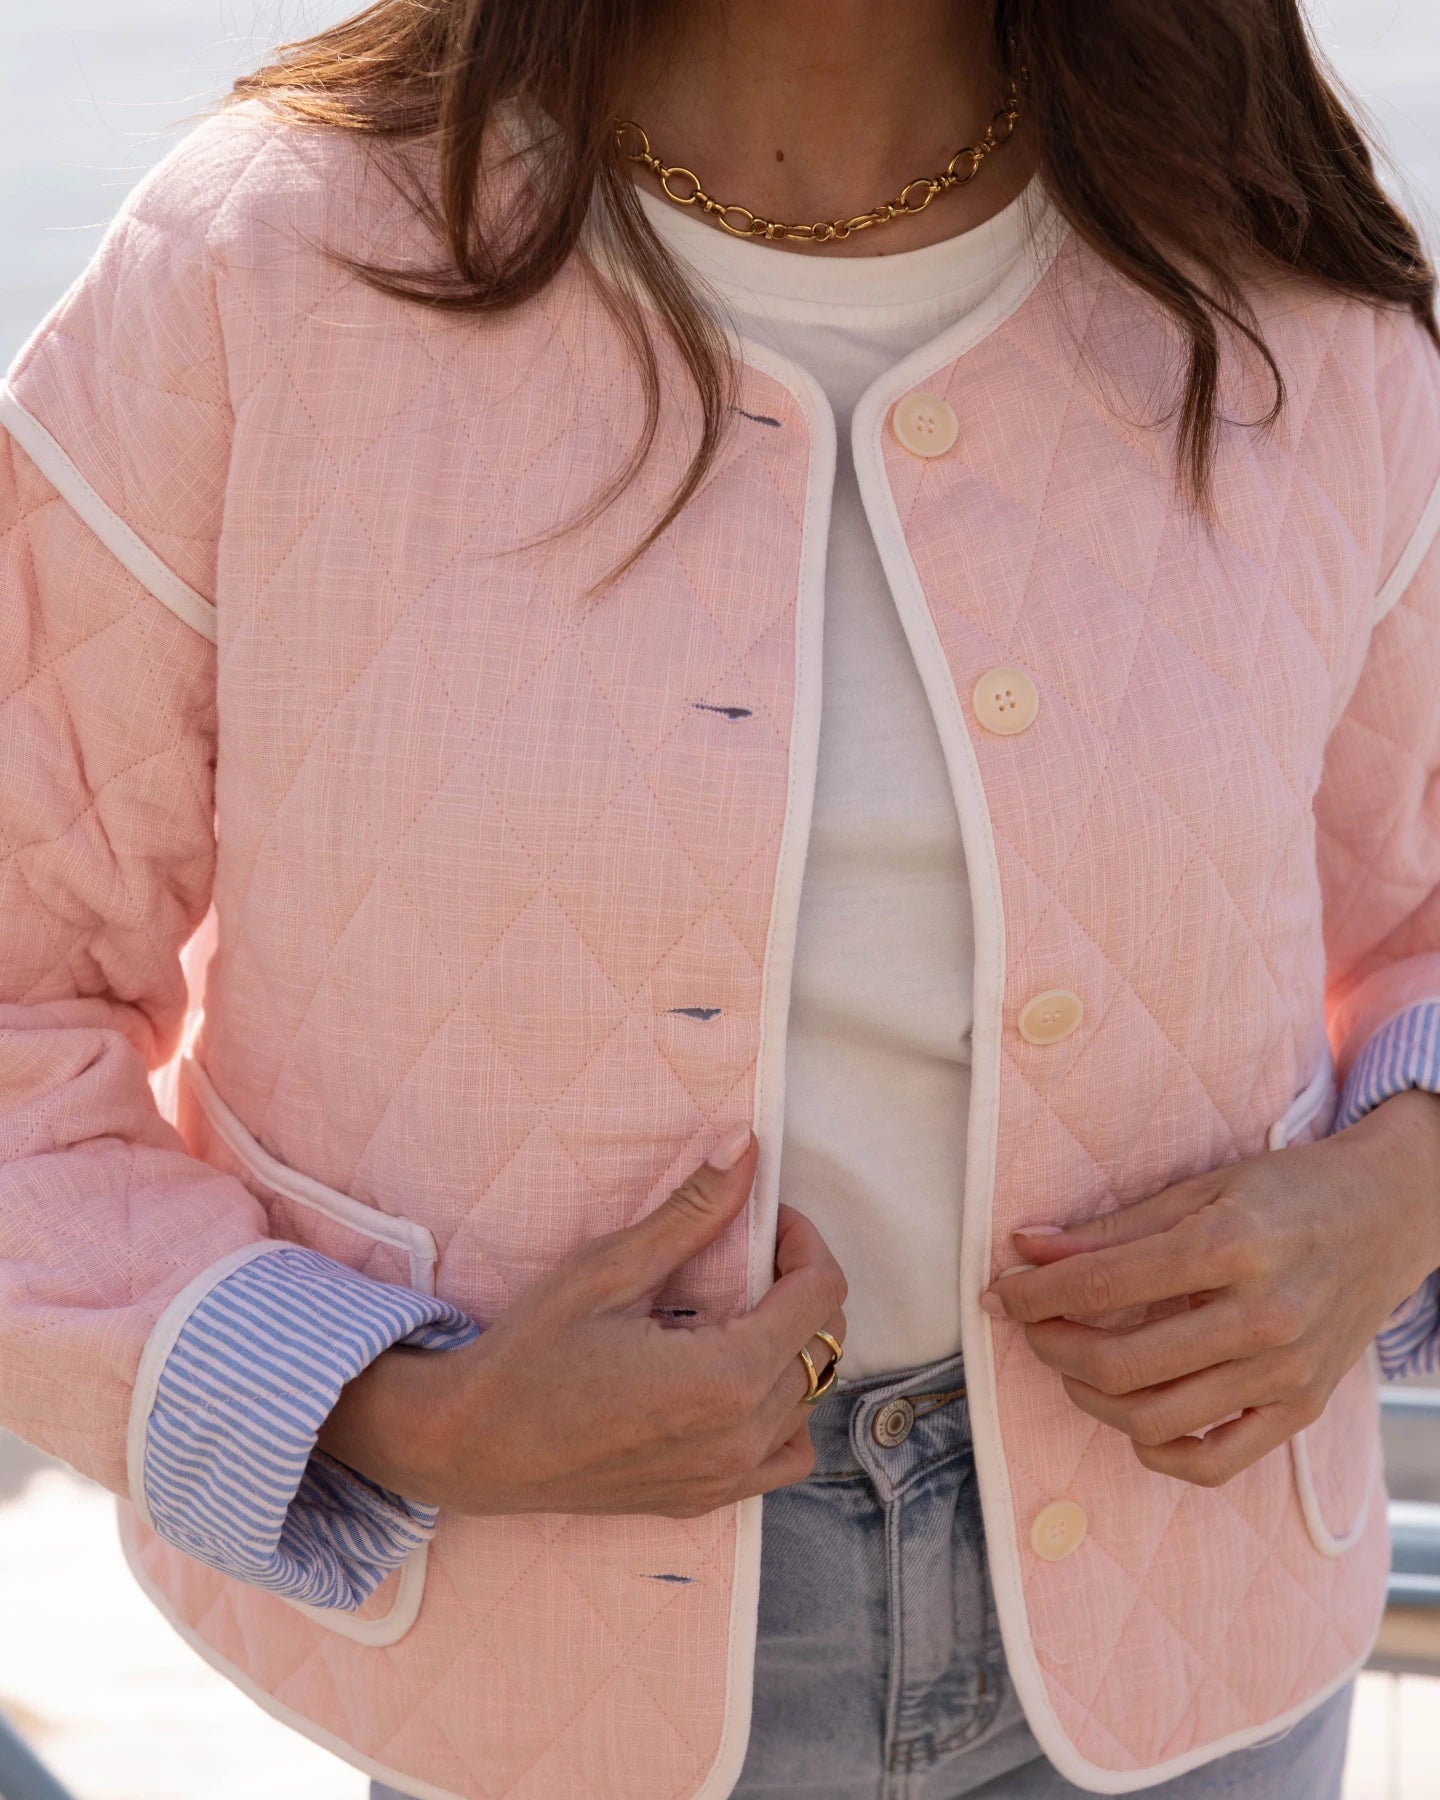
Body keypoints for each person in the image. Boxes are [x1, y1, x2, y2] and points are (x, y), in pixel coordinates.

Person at [2, 0, 1439, 1794]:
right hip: (544, 1661)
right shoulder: (256, 270)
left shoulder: (1283, 266)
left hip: (1198, 1632)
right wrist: (392, 1411)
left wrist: (1395, 1195)